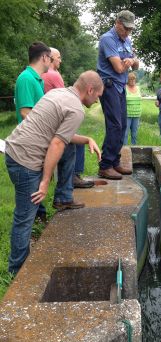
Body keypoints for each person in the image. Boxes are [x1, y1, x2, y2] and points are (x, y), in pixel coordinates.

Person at [5, 71, 103, 275]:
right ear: (90, 90)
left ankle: (63, 197)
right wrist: (45, 180)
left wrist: (86, 139)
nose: (97, 100)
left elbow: (60, 135)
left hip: (13, 150)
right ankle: (17, 270)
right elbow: (57, 143)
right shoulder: (77, 109)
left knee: (68, 147)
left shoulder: (57, 93)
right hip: (25, 161)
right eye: (98, 96)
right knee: (24, 217)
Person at [42, 47, 94, 189]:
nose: (60, 60)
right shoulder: (54, 74)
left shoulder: (43, 74)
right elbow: (67, 96)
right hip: (58, 117)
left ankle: (63, 185)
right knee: (75, 141)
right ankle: (74, 176)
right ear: (51, 58)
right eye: (58, 58)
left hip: (48, 116)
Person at [97, 10, 139, 180]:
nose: (128, 32)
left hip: (120, 87)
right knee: (114, 124)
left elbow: (136, 65)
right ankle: (105, 165)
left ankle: (115, 161)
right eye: (126, 28)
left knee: (122, 125)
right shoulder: (108, 39)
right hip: (109, 86)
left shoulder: (127, 40)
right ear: (118, 23)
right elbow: (119, 68)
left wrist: (132, 61)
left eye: (130, 29)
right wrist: (129, 61)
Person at [14, 41, 52, 221]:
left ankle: (39, 218)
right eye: (50, 58)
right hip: (29, 145)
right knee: (29, 193)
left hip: (38, 143)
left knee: (37, 188)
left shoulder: (37, 79)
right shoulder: (26, 78)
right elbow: (25, 111)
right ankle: (34, 225)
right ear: (44, 57)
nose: (51, 62)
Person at [124, 72, 142, 145]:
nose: (132, 80)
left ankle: (134, 150)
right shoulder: (125, 88)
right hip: (127, 114)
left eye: (134, 79)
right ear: (128, 80)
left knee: (134, 135)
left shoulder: (138, 88)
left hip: (137, 115)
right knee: (125, 134)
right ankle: (124, 150)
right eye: (131, 79)